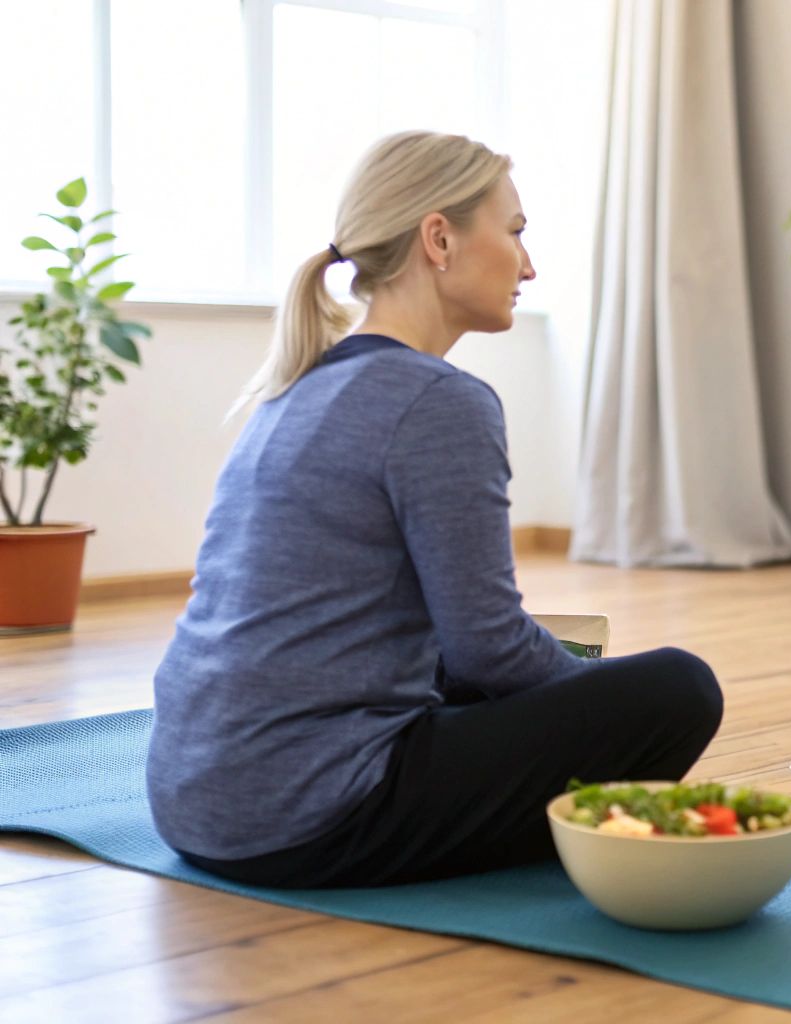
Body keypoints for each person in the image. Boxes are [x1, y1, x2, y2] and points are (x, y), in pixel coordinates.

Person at [146, 132, 722, 888]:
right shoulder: (439, 402)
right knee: (678, 687)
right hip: (304, 817)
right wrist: (591, 691)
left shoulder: (296, 387)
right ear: (439, 238)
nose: (529, 263)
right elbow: (492, 650)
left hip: (194, 799)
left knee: (509, 684)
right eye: (515, 232)